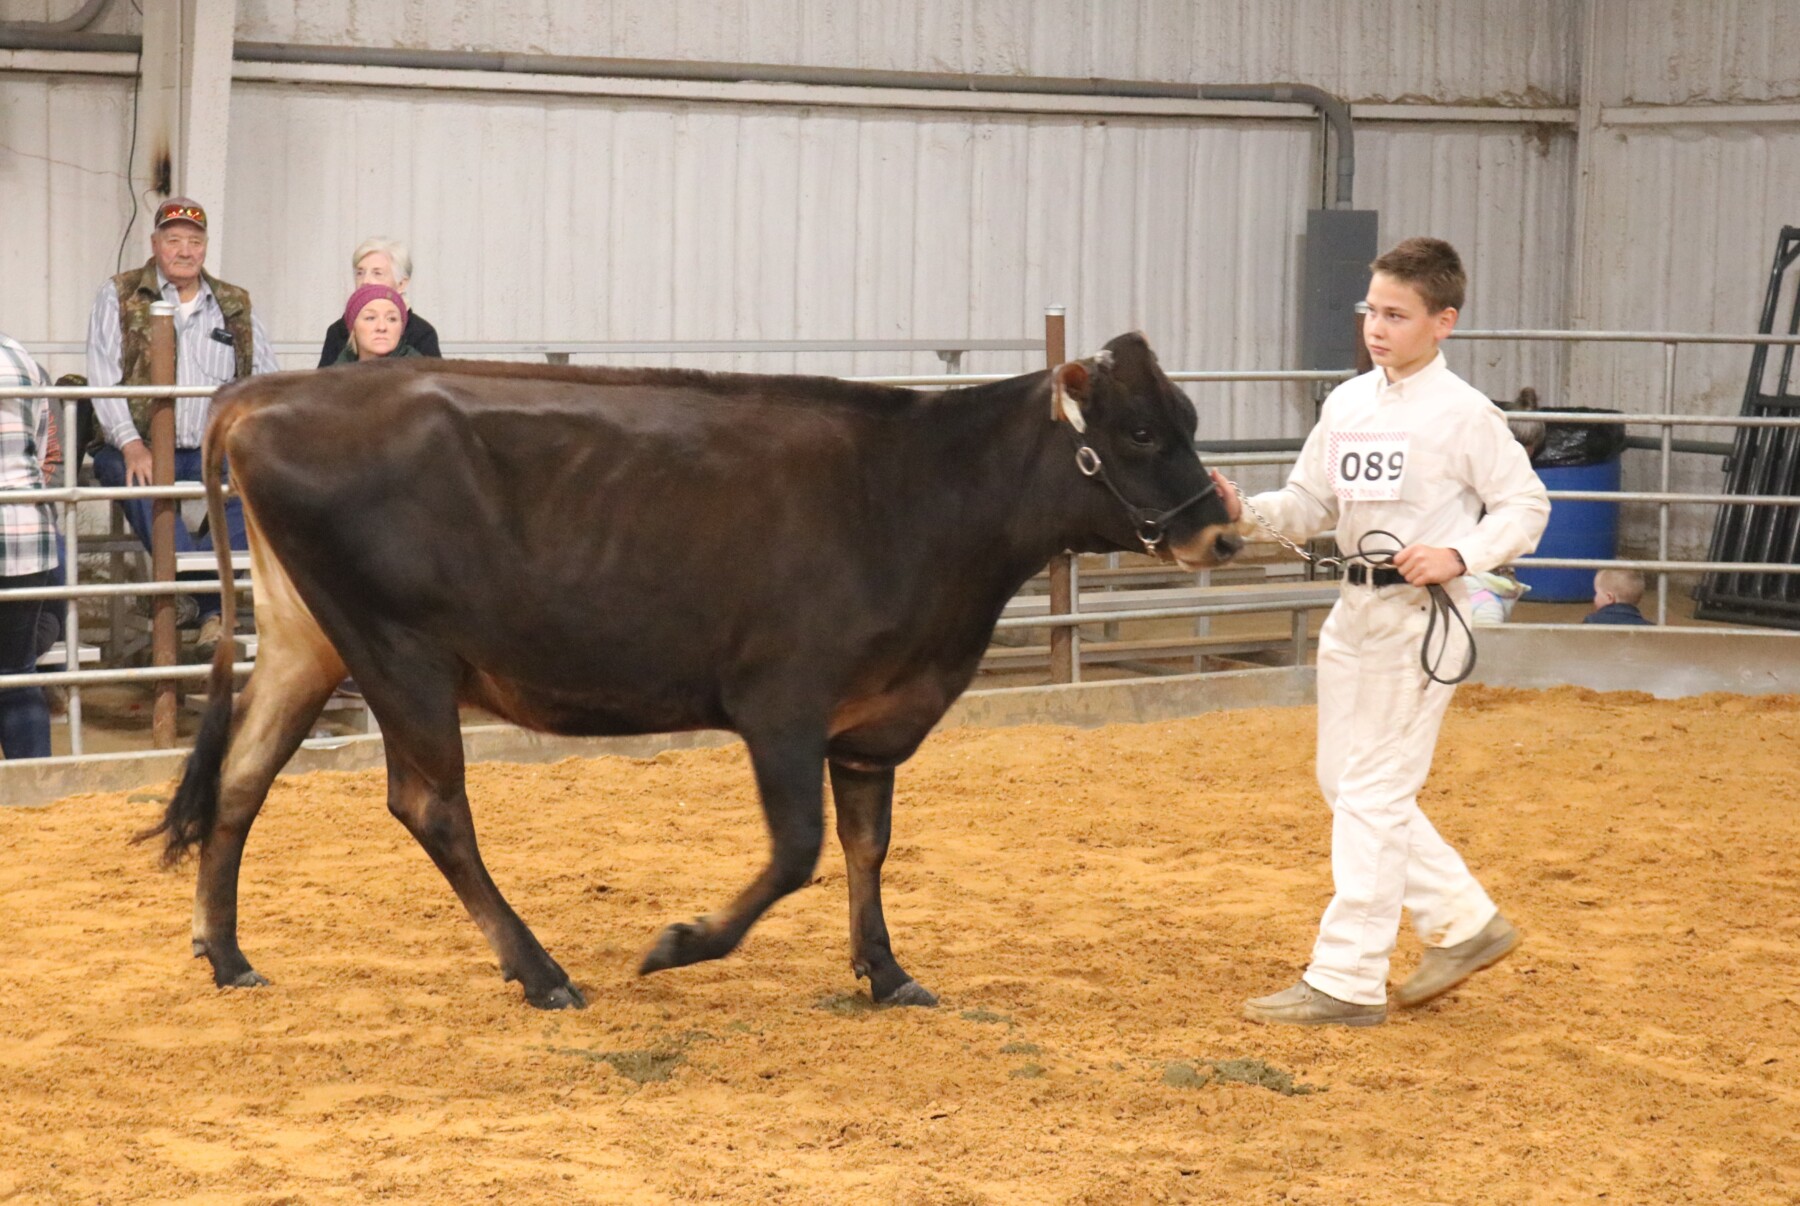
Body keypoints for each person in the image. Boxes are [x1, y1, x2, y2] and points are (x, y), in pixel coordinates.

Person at [1213, 237, 1551, 1027]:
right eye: (1372, 310)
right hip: (1353, 614)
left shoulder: (1465, 413)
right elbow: (1309, 505)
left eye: (1397, 315)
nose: (1378, 327)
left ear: (1444, 322)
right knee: (1348, 782)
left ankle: (1347, 977)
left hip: (1420, 620)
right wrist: (1242, 510)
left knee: (1371, 791)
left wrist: (1459, 552)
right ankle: (1465, 923)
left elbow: (1525, 505)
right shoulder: (1349, 402)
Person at [86, 196, 276, 660]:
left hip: (215, 442)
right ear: (155, 244)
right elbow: (101, 375)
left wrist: (250, 435)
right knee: (127, 473)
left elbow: (265, 376)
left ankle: (194, 599)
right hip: (142, 442)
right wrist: (131, 444)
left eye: (194, 241)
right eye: (174, 240)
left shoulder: (234, 304)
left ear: (206, 247)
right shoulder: (119, 294)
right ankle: (210, 602)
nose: (185, 251)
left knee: (250, 479)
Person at [0, 332, 60, 759]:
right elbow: (43, 447)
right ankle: (38, 798)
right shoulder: (19, 354)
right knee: (19, 673)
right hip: (25, 533)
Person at [317, 238, 440, 366]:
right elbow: (323, 382)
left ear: (401, 283)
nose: (365, 281)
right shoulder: (338, 331)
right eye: (360, 273)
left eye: (377, 273)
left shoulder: (421, 333)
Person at [332, 285, 424, 364]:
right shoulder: (334, 378)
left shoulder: (421, 376)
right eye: (370, 318)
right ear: (353, 327)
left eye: (392, 319)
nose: (382, 327)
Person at [1584, 568, 1653, 625]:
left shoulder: (1592, 622)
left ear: (1609, 597)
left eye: (1596, 593)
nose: (1594, 598)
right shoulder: (1648, 627)